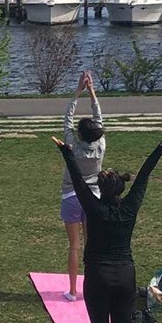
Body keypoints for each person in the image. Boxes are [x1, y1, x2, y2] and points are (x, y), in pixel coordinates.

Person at [52, 129, 162, 323]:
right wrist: (161, 147)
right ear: (121, 190)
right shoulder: (129, 207)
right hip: (125, 275)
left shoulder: (94, 207)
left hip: (98, 276)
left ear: (101, 189)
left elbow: (77, 181)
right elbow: (143, 177)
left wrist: (67, 152)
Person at [59, 71, 105, 301]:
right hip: (93, 196)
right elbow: (99, 118)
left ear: (80, 134)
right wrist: (92, 91)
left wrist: (78, 92)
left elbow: (67, 119)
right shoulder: (100, 146)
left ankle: (74, 290)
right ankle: (92, 288)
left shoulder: (72, 147)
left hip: (71, 195)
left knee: (74, 246)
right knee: (92, 244)